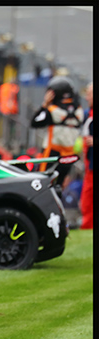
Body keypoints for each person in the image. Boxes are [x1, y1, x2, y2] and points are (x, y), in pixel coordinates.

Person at [30, 75, 84, 186]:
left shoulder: (53, 111)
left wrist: (44, 105)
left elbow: (35, 122)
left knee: (43, 183)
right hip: (69, 155)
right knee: (59, 185)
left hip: (52, 153)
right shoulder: (79, 111)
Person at [80, 82, 93, 229]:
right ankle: (87, 225)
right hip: (90, 163)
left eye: (89, 94)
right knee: (87, 197)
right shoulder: (87, 114)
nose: (87, 97)